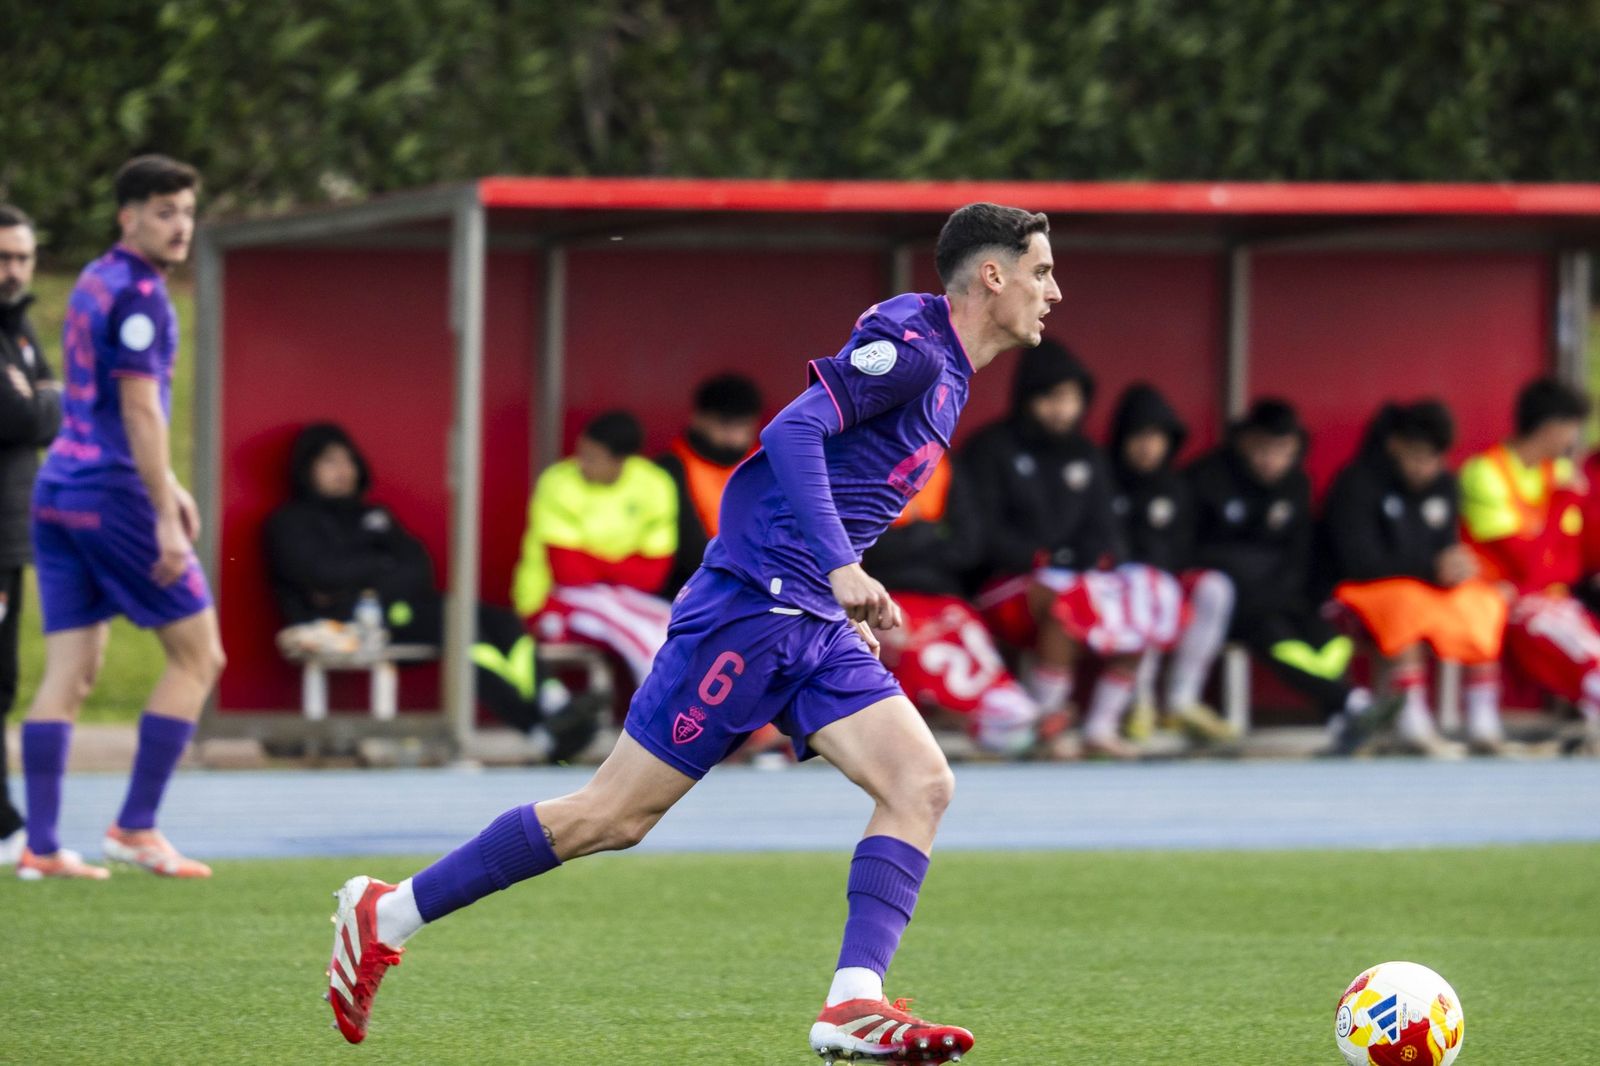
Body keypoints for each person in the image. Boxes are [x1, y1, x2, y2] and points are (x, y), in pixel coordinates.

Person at [322, 201, 1061, 1062]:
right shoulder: (914, 346)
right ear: (994, 275)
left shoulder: (952, 371)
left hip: (810, 615)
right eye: (1043, 272)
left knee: (922, 785)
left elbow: (838, 478)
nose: (1055, 291)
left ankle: (851, 1004)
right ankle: (388, 913)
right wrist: (838, 566)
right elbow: (791, 432)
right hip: (753, 605)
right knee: (611, 816)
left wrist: (846, 581)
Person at [20, 155, 224, 880]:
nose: (179, 227)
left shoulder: (93, 278)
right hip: (114, 498)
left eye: (187, 212)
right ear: (127, 215)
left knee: (71, 670)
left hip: (59, 488)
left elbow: (105, 405)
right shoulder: (141, 296)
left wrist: (169, 482)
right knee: (200, 656)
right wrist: (164, 513)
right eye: (164, 212)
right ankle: (136, 827)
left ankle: (40, 847)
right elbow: (138, 408)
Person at [264, 423, 598, 759]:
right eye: (329, 462)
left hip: (407, 609)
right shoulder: (290, 522)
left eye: (347, 460)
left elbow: (419, 567)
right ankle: (541, 728)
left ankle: (552, 700)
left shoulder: (375, 515)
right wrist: (381, 568)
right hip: (348, 623)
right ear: (307, 468)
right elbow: (319, 574)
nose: (342, 470)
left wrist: (366, 578)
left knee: (498, 620)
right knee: (463, 633)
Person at [961, 341, 1173, 759]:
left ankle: (1100, 727)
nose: (1062, 410)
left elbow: (1106, 530)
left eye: (1072, 399)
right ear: (1028, 397)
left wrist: (1096, 561)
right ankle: (1044, 723)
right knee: (1067, 605)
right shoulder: (990, 448)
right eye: (1051, 398)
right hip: (1003, 583)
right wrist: (1042, 560)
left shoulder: (1088, 455)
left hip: (1076, 577)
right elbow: (981, 534)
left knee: (1139, 601)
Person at [1188, 399, 1396, 753]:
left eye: (1283, 450)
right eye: (1263, 448)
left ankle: (1340, 717)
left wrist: (1292, 596)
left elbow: (1300, 554)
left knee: (1329, 639)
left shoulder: (1297, 485)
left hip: (1284, 598)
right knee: (1283, 643)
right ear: (1243, 441)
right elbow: (1193, 552)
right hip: (1234, 608)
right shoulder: (1206, 478)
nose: (1271, 459)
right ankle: (1353, 703)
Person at [1323, 402, 1507, 756]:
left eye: (1434, 458)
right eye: (1416, 456)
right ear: (1395, 446)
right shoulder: (1356, 483)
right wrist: (1430, 568)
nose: (1426, 468)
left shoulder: (1445, 486)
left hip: (1425, 589)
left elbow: (1445, 550)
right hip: (1356, 595)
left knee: (1482, 600)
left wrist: (1456, 568)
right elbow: (1359, 562)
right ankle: (1410, 713)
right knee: (1404, 601)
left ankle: (1482, 716)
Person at [861, 456, 1047, 756]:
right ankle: (954, 719)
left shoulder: (944, 467)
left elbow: (968, 545)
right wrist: (929, 536)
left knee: (972, 641)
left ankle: (1000, 715)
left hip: (944, 595)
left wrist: (905, 542)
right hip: (880, 594)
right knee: (908, 648)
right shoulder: (860, 464)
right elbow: (862, 546)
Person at [1459, 377, 1597, 752]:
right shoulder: (1485, 473)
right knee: (1589, 661)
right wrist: (1560, 506)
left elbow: (1568, 565)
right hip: (1507, 602)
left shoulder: (1559, 475)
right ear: (1553, 427)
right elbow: (1528, 566)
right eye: (1573, 429)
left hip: (1553, 598)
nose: (1574, 440)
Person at [1106, 383, 1236, 744]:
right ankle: (1140, 700)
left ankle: (1182, 699)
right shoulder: (1104, 478)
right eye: (1140, 437)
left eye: (1157, 438)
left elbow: (1186, 548)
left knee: (1215, 587)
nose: (1149, 447)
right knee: (1144, 585)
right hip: (1114, 590)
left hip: (1167, 587)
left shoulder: (1177, 487)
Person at [511, 411, 678, 688]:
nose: (582, 464)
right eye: (581, 453)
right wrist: (623, 564)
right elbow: (568, 571)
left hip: (623, 598)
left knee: (677, 626)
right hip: (551, 599)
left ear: (620, 461)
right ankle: (660, 723)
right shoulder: (558, 482)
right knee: (644, 638)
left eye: (592, 457)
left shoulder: (654, 485)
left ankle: (704, 723)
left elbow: (653, 574)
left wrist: (594, 562)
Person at [0, 204, 62, 865]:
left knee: (4, 678)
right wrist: (41, 400)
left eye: (21, 257)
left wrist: (40, 399)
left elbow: (46, 410)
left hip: (11, 535)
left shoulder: (17, 330)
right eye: (3, 257)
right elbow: (22, 414)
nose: (13, 270)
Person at [655, 373, 763, 597]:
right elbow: (689, 549)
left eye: (742, 425)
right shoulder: (671, 467)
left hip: (757, 588)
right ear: (699, 418)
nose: (734, 435)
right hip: (690, 591)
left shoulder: (765, 466)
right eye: (725, 424)